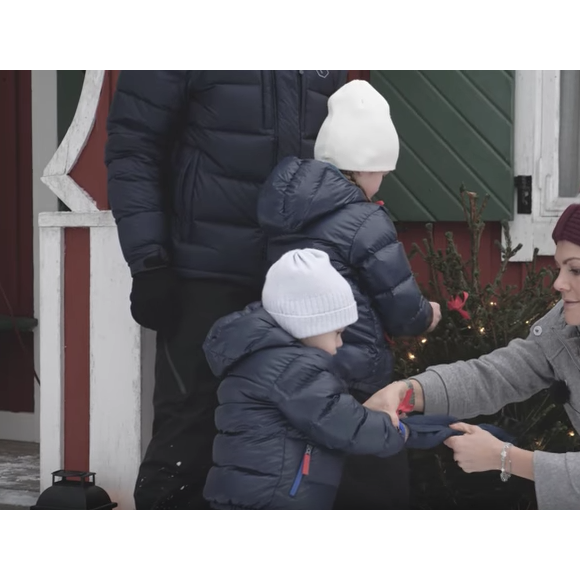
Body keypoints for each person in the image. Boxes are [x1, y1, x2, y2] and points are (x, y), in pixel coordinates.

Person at [104, 70, 349, 510]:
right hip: (204, 274)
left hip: (300, 278)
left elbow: (336, 153)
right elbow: (133, 149)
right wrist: (149, 262)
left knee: (287, 439)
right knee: (190, 435)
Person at [257, 80, 442, 510]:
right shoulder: (365, 220)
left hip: (296, 368)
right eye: (381, 171)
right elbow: (400, 307)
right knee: (377, 474)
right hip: (357, 370)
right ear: (365, 166)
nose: (382, 181)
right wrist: (428, 315)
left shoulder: (285, 215)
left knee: (314, 474)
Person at [379, 203, 580, 510]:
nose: (559, 283)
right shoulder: (563, 328)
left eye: (575, 269)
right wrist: (409, 391)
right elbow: (496, 375)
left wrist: (505, 458)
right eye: (560, 267)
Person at [202, 248, 412, 510]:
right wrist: (395, 430)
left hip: (256, 494)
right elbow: (343, 424)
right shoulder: (291, 368)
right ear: (308, 324)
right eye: (336, 332)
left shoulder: (267, 358)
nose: (339, 344)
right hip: (271, 500)